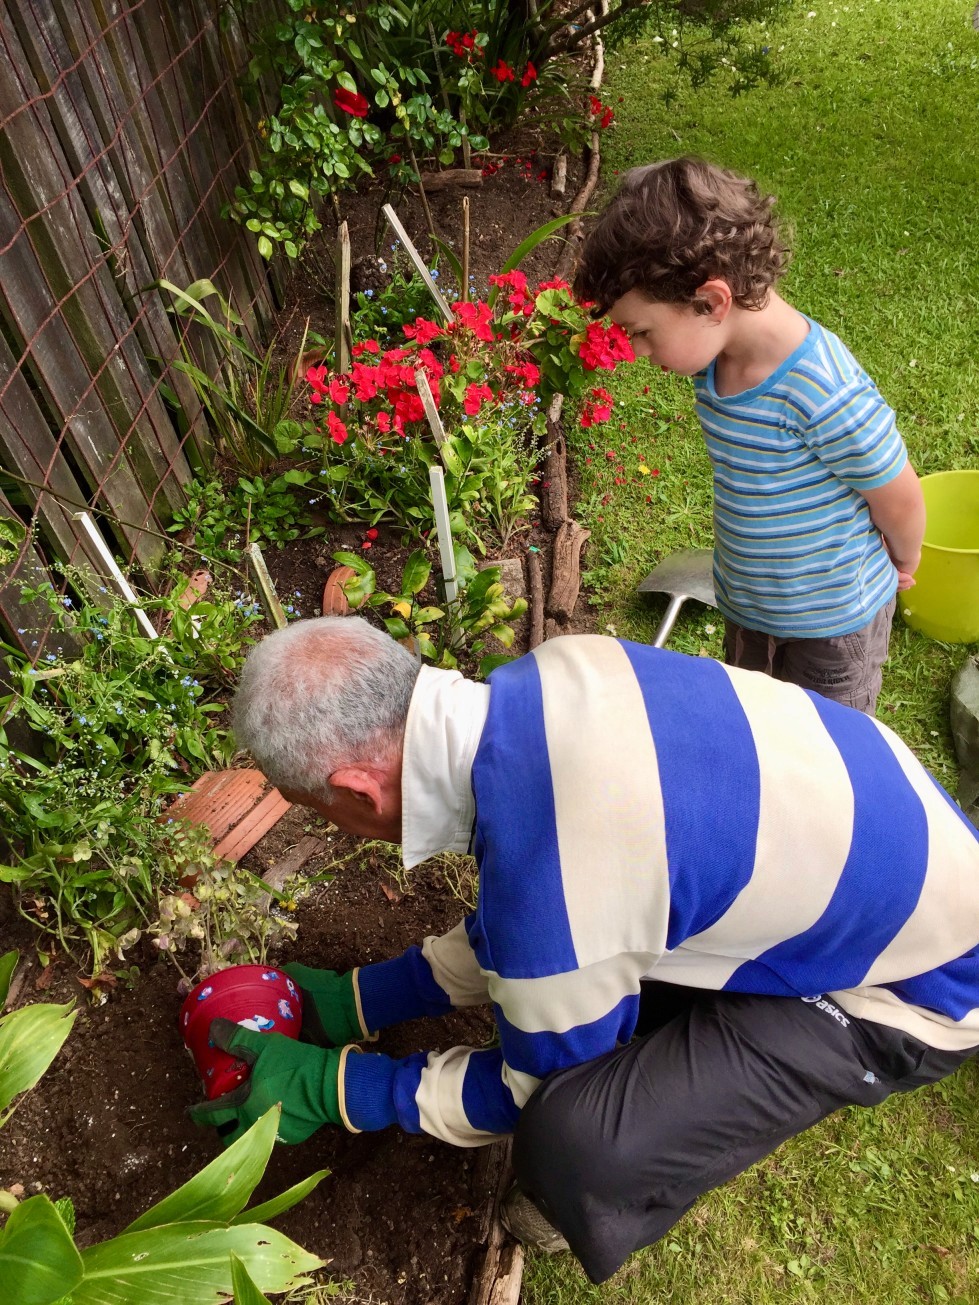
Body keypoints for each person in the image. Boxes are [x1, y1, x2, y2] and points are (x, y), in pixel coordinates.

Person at [190, 616, 979, 1284]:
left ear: (361, 790)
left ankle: (611, 1190)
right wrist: (361, 1000)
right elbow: (548, 909)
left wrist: (340, 1089)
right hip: (894, 835)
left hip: (921, 981)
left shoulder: (561, 883)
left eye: (319, 810)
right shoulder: (556, 671)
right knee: (599, 952)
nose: (336, 825)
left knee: (575, 1136)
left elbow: (523, 1082)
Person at [573, 157, 926, 715]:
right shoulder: (714, 364)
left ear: (711, 302)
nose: (635, 351)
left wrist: (904, 560)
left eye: (641, 332)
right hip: (749, 607)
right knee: (757, 730)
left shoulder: (822, 390)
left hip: (832, 625)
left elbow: (899, 494)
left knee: (826, 750)